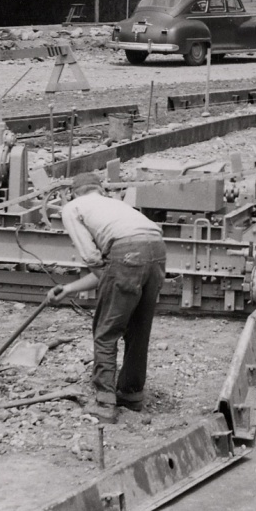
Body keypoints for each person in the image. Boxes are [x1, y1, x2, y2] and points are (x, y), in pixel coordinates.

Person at [59, 172, 167, 419]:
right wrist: (68, 289)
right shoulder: (117, 205)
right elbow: (108, 269)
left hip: (126, 251)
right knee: (139, 329)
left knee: (106, 331)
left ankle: (105, 403)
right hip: (157, 249)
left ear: (74, 193)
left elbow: (92, 257)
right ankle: (131, 394)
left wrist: (110, 277)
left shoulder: (73, 207)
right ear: (100, 190)